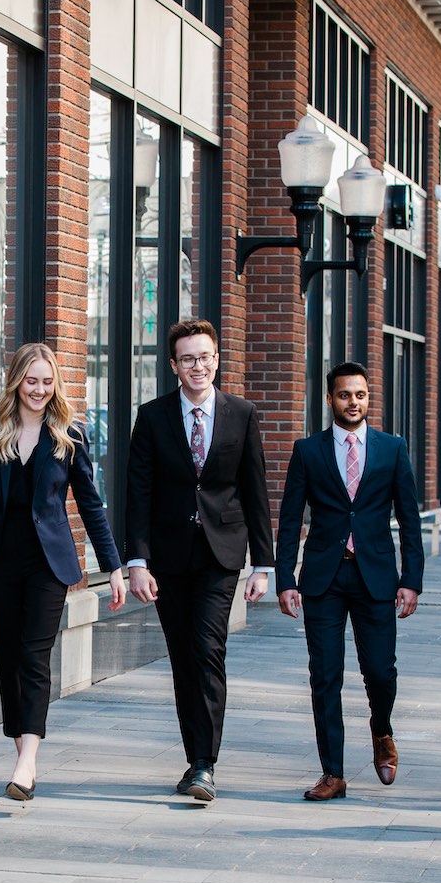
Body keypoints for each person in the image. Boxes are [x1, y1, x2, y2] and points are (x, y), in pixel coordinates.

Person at [0, 342, 126, 801]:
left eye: (47, 382)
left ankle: (26, 760)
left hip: (48, 565)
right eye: (31, 381)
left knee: (33, 655)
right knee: (7, 657)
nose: (39, 390)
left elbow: (91, 504)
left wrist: (113, 567)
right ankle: (22, 748)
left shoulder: (69, 433)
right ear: (16, 380)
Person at [125, 318, 274, 803]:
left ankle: (205, 764)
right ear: (174, 365)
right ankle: (195, 757)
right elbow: (138, 496)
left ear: (217, 359)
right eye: (187, 358)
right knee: (182, 659)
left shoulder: (241, 413)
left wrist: (264, 565)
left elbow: (255, 490)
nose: (197, 366)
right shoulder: (151, 417)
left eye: (205, 356)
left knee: (208, 650)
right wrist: (137, 562)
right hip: (167, 557)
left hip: (221, 554)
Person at [276, 362, 424, 801]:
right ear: (330, 399)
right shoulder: (308, 451)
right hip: (323, 577)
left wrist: (411, 580)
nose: (353, 402)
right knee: (325, 675)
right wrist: (286, 578)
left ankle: (382, 728)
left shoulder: (392, 449)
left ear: (368, 398)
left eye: (359, 395)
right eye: (344, 395)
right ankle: (333, 772)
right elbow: (289, 520)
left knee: (380, 671)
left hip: (376, 577)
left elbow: (411, 522)